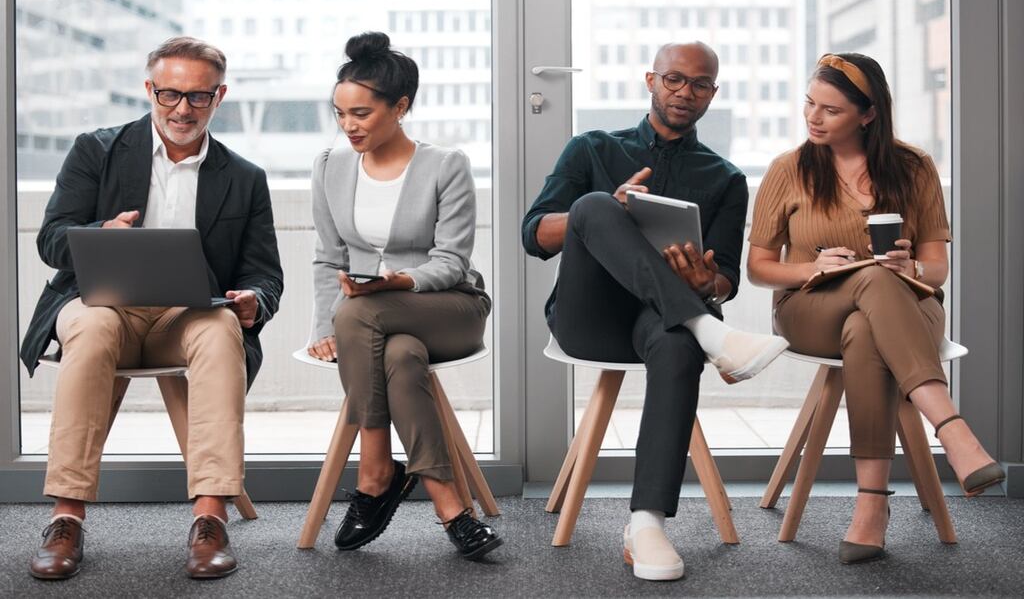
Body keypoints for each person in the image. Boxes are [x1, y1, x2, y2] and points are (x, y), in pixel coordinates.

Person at [522, 42, 789, 581]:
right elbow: (534, 236)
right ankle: (707, 330)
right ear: (651, 80)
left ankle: (646, 523)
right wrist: (601, 211)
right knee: (594, 205)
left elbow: (726, 279)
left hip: (655, 324)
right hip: (589, 319)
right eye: (673, 80)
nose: (685, 93)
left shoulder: (726, 178)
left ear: (713, 93)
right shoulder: (592, 148)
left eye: (700, 85)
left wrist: (702, 281)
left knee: (676, 343)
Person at [19, 37, 284, 581]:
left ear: (220, 96)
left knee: (219, 330)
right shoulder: (96, 150)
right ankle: (66, 518)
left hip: (184, 318)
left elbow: (265, 272)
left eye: (197, 97)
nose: (181, 108)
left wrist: (255, 299)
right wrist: (99, 233)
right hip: (99, 306)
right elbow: (50, 240)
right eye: (168, 94)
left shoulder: (245, 178)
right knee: (91, 328)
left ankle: (209, 520)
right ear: (149, 90)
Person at [747, 52, 1005, 564]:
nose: (813, 118)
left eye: (831, 110)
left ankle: (871, 507)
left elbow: (937, 269)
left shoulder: (913, 167)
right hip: (810, 306)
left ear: (868, 115)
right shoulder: (789, 169)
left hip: (906, 305)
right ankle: (953, 429)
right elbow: (758, 268)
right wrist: (811, 268)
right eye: (809, 104)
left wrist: (913, 271)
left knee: (868, 324)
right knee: (868, 280)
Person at [306, 31, 501, 561]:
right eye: (340, 113)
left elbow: (452, 262)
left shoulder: (445, 164)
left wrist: (399, 283)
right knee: (399, 354)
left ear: (401, 107)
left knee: (362, 311)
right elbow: (329, 256)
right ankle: (451, 506)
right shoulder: (330, 166)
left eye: (362, 114)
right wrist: (325, 327)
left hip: (450, 306)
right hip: (376, 323)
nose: (349, 126)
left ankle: (375, 472)